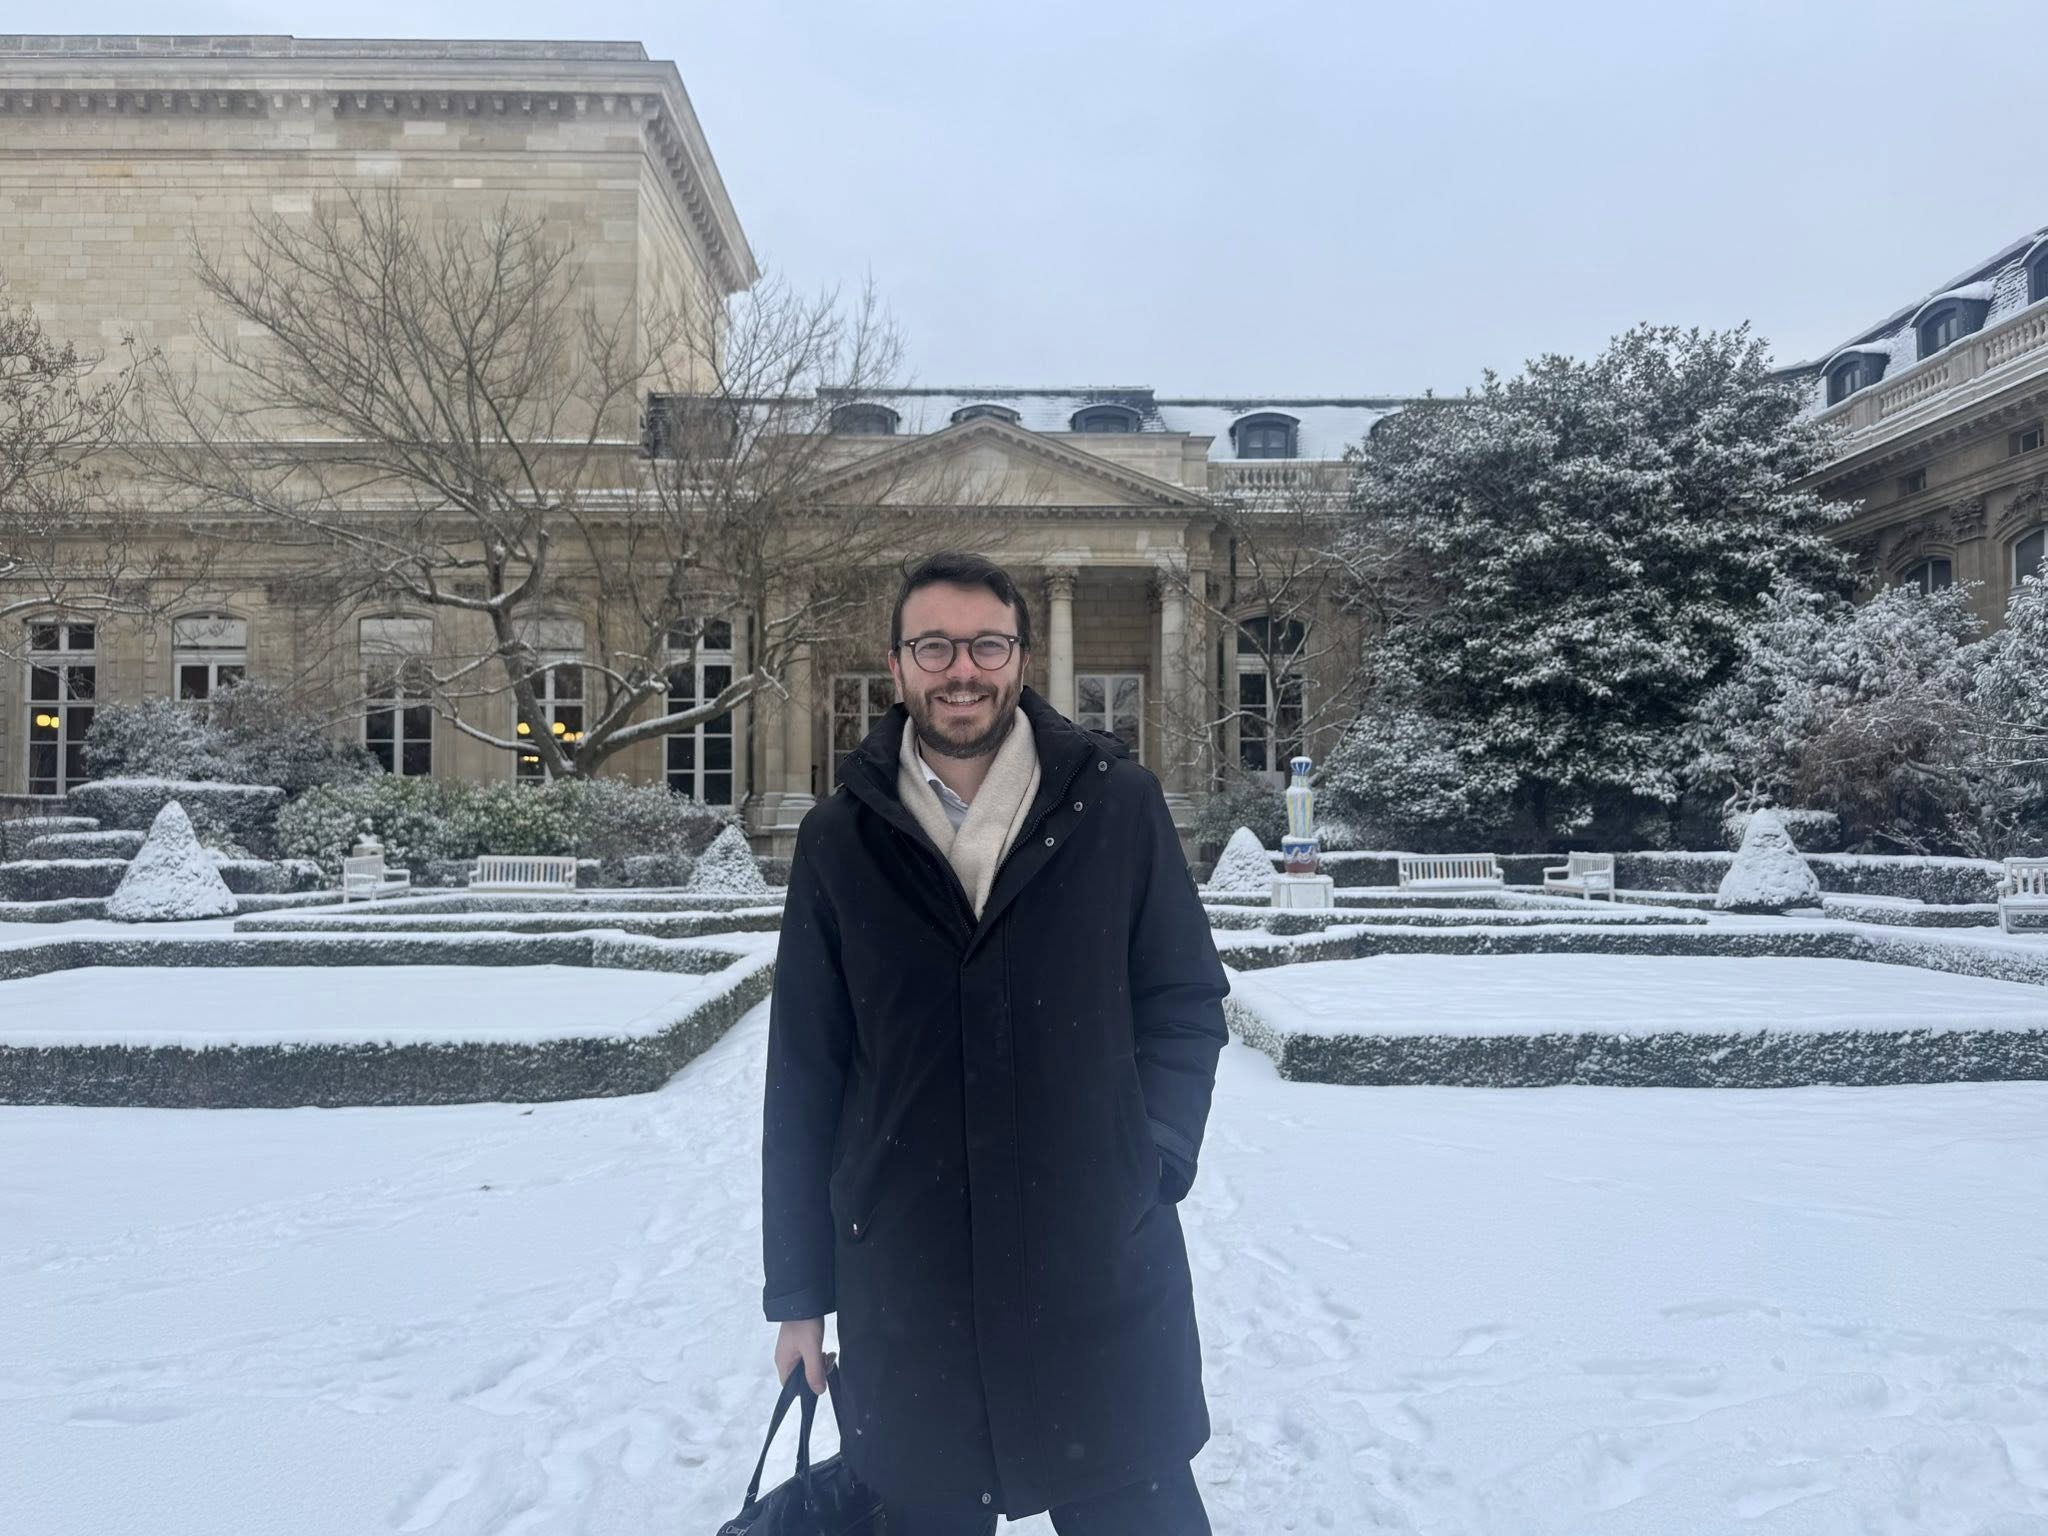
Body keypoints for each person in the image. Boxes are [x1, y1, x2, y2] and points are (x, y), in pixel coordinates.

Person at [760, 550, 1230, 1534]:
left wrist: (1152, 1157)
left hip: (1094, 1262)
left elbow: (1182, 1000)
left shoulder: (1116, 806)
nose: (959, 669)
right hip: (909, 1281)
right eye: (933, 645)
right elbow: (806, 1072)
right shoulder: (839, 838)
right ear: (896, 666)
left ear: (1020, 658)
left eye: (984, 644)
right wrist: (799, 1295)